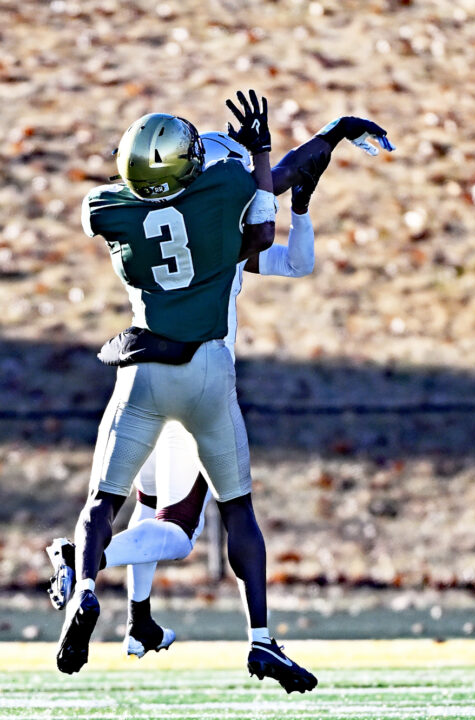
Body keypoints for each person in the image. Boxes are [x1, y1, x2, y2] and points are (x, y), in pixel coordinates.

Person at [48, 106, 393, 691]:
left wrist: (302, 187)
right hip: (204, 374)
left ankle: (131, 615)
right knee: (190, 525)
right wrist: (329, 137)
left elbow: (129, 198)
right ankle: (244, 633)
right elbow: (273, 191)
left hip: (142, 366)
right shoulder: (226, 203)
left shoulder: (113, 208)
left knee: (122, 502)